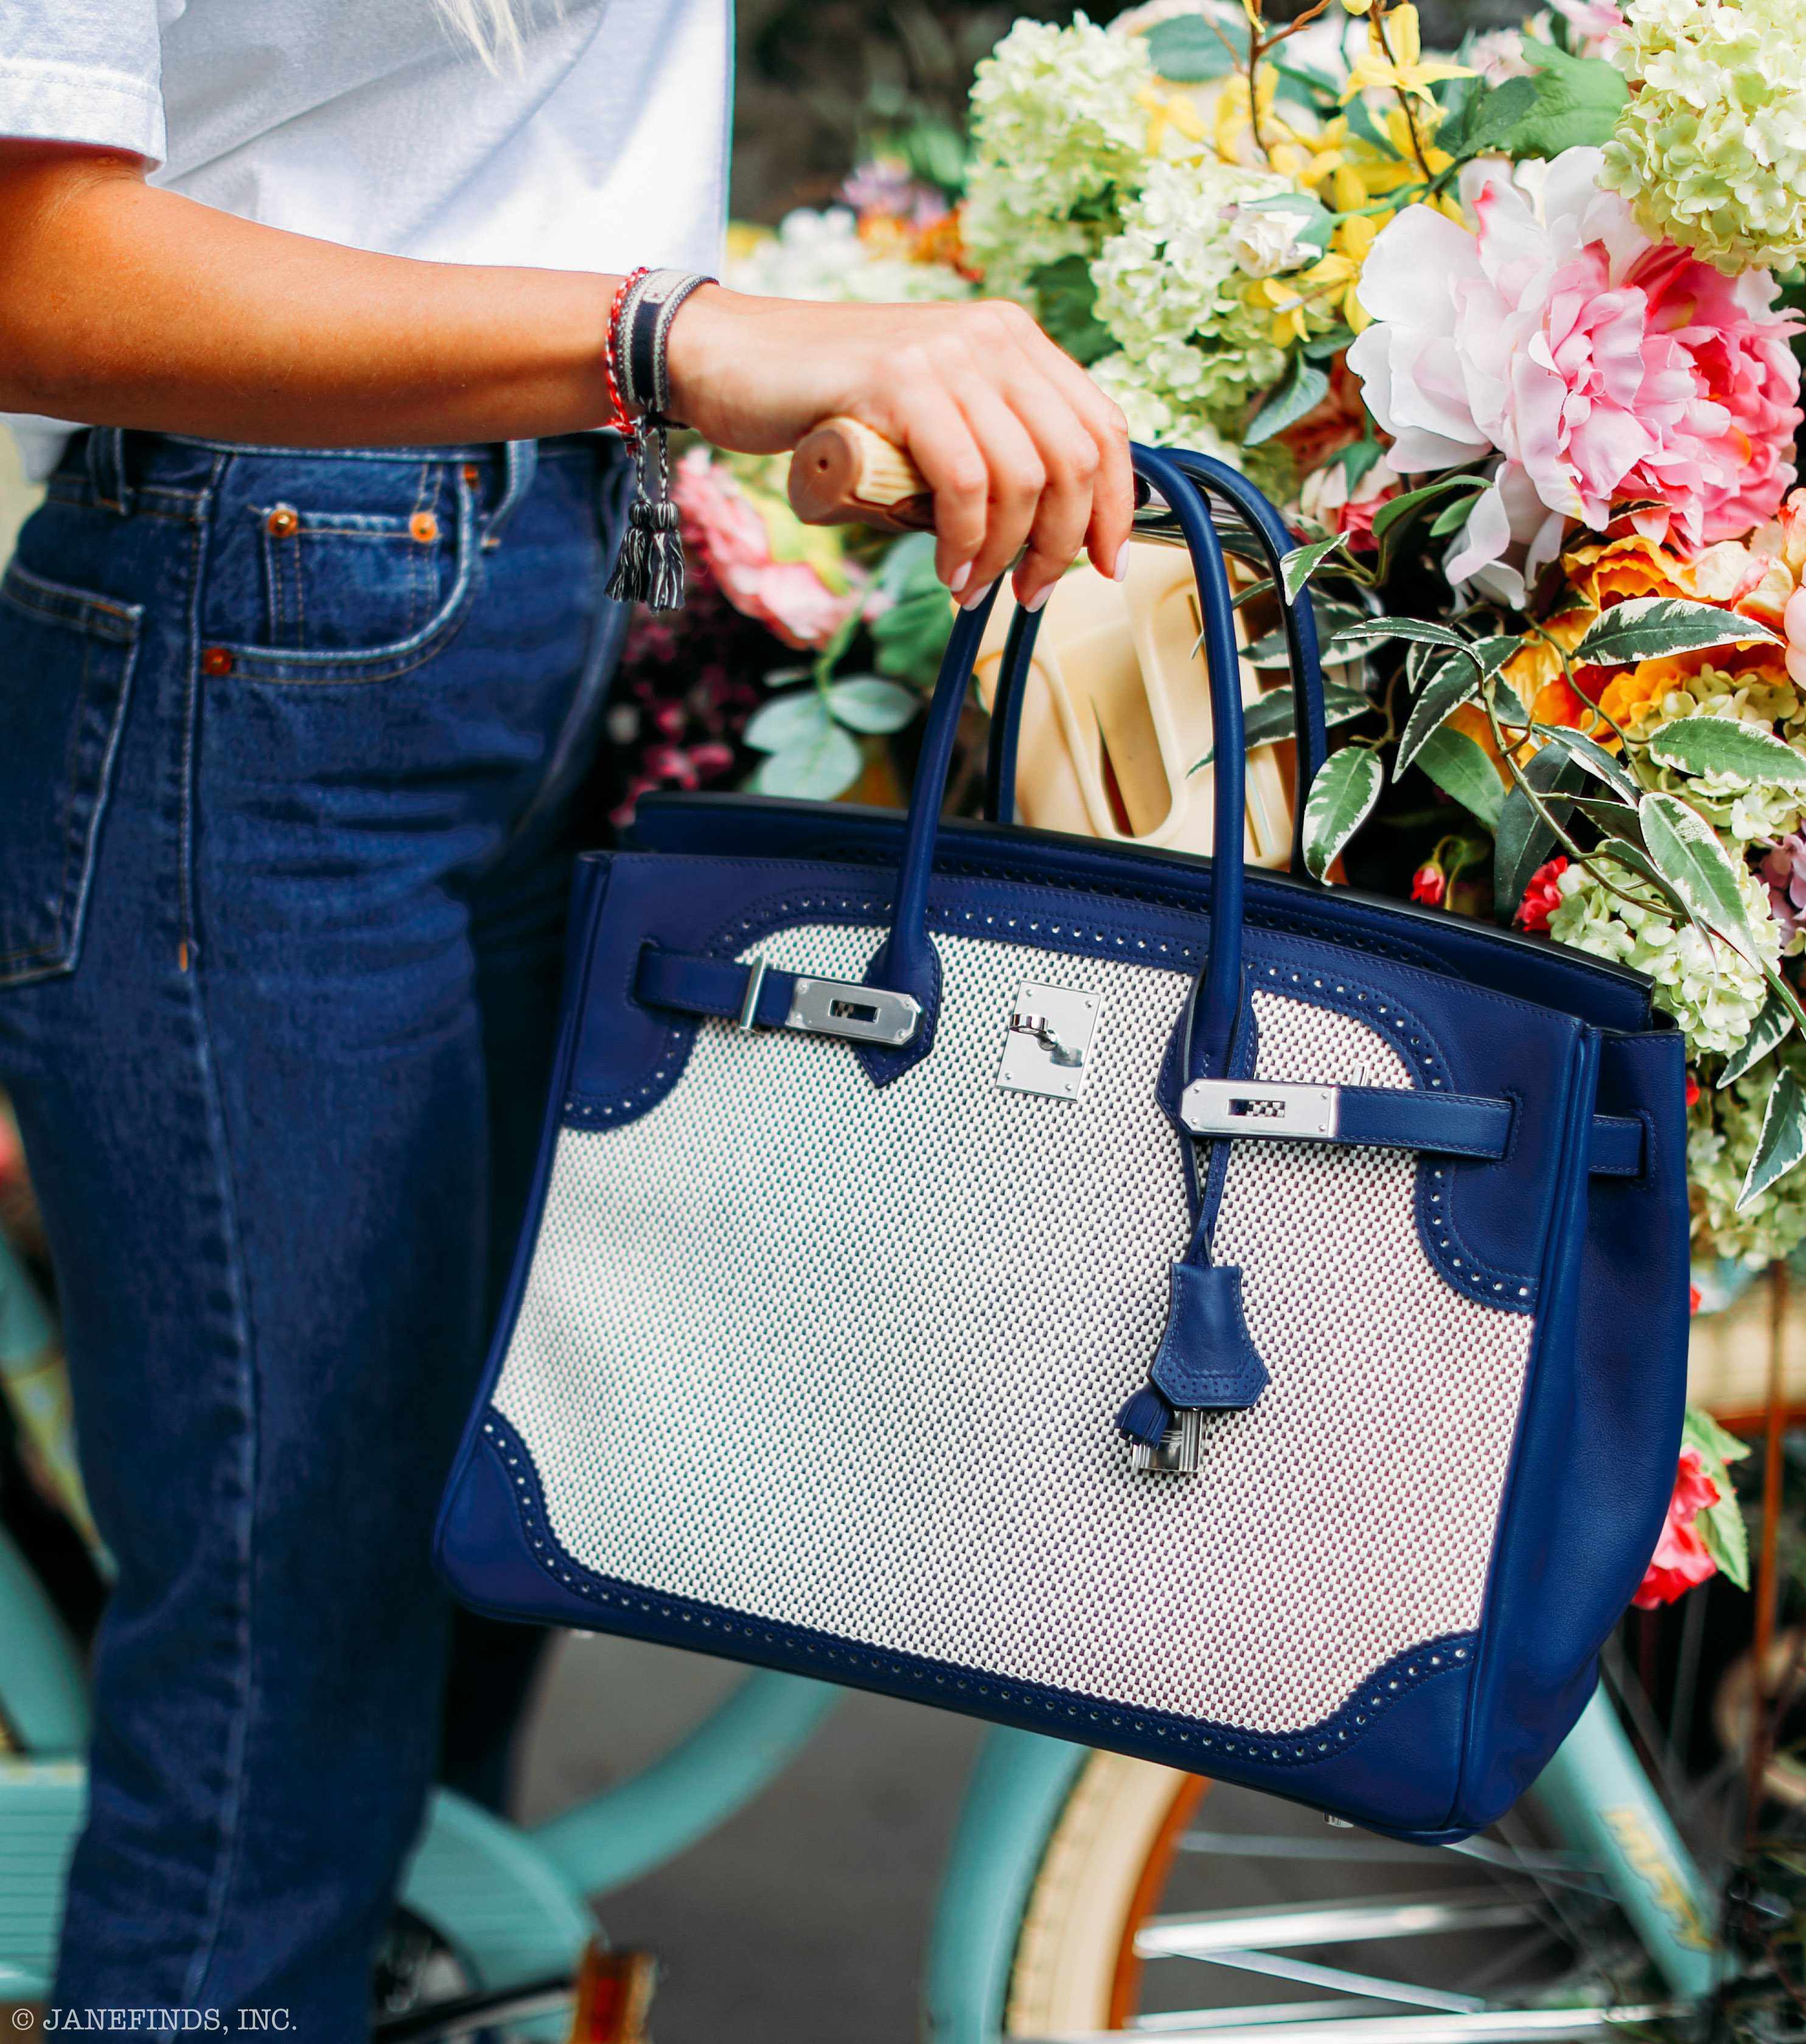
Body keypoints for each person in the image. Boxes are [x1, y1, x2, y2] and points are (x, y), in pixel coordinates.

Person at [0, 1, 1134, 2029]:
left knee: (458, 1570)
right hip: (266, 633)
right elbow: (22, 262)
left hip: (536, 582)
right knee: (282, 1702)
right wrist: (679, 333)